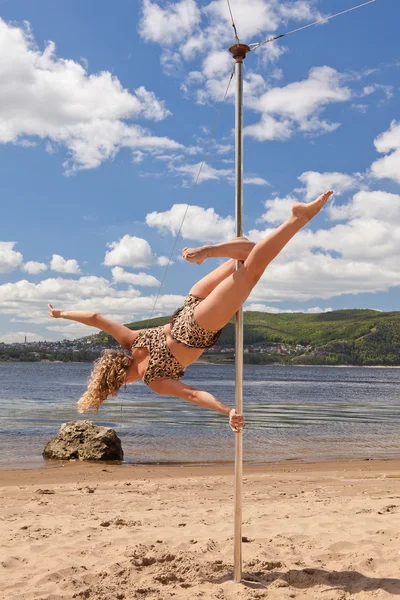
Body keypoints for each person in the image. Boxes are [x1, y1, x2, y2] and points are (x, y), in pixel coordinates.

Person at [48, 191, 333, 433]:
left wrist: (227, 411)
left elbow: (194, 394)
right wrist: (62, 313)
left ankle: (299, 218)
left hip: (200, 325)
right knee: (247, 252)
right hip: (191, 303)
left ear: (120, 381)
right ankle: (207, 251)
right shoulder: (131, 340)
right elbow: (96, 318)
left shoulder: (154, 380)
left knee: (253, 270)